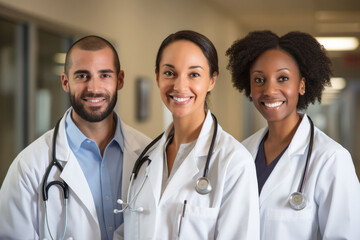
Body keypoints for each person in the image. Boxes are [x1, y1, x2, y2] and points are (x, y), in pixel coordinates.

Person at [0, 35, 150, 240]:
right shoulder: (29, 167)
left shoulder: (149, 154)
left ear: (120, 80)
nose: (94, 88)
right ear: (65, 81)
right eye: (82, 76)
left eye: (104, 75)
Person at [119, 30, 260, 239]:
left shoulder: (234, 162)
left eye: (193, 74)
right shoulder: (144, 159)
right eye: (169, 73)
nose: (179, 86)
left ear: (212, 80)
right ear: (157, 76)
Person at [226, 30, 360, 239]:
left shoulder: (331, 159)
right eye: (259, 79)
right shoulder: (240, 152)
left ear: (302, 85)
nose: (269, 90)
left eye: (283, 78)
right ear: (249, 87)